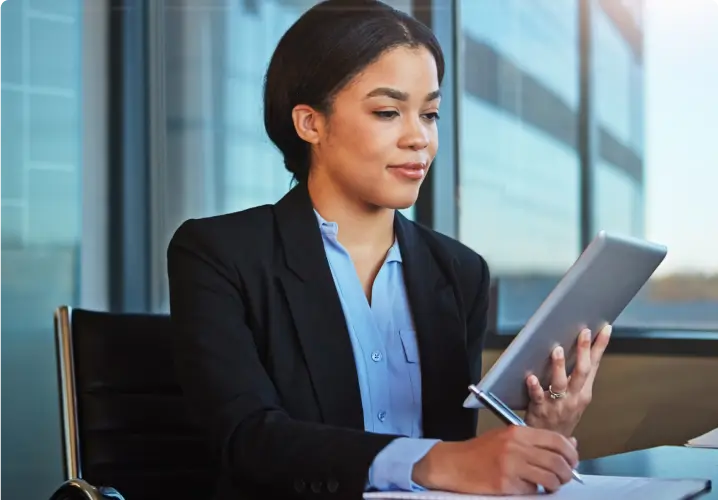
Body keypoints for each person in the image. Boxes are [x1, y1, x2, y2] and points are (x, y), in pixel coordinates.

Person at [166, 1, 612, 498]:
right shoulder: (219, 254)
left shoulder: (460, 273)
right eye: (387, 112)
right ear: (310, 123)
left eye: (429, 114)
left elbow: (455, 457)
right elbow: (247, 439)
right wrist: (431, 459)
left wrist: (545, 431)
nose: (419, 138)